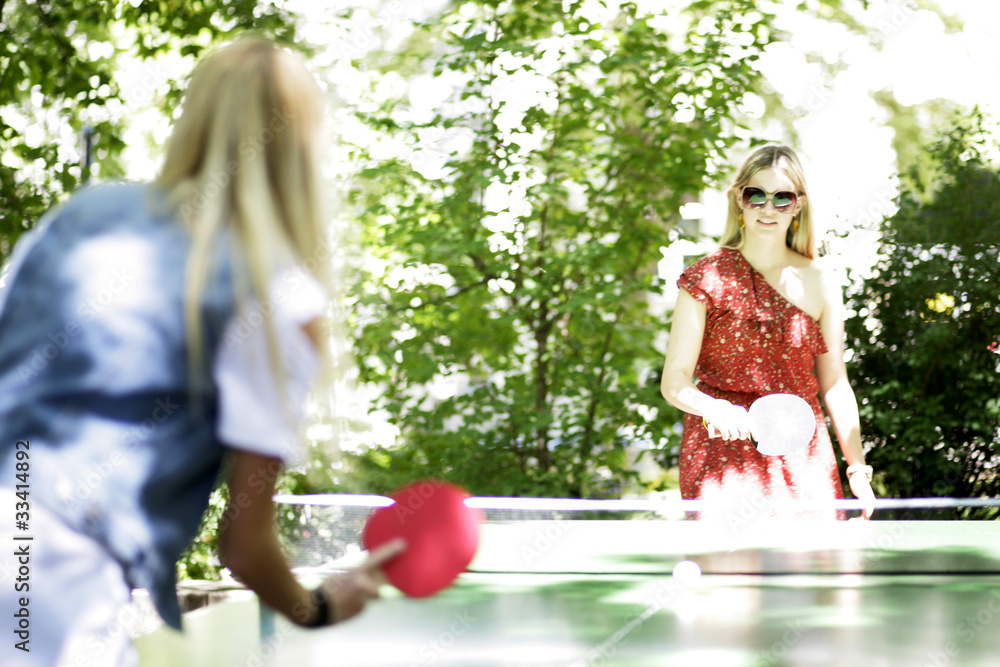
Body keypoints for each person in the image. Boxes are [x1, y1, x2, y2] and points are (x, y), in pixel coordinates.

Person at [0, 37, 403, 666]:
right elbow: (244, 546)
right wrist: (320, 605)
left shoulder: (81, 216)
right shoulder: (279, 296)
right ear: (302, 148)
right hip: (50, 577)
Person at [659, 144, 876, 521]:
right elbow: (673, 381)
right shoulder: (705, 278)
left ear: (798, 205)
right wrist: (712, 407)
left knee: (812, 558)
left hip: (802, 452)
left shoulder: (822, 281)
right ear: (738, 199)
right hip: (721, 455)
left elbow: (835, 383)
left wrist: (857, 467)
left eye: (782, 197)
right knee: (731, 560)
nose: (768, 208)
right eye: (756, 195)